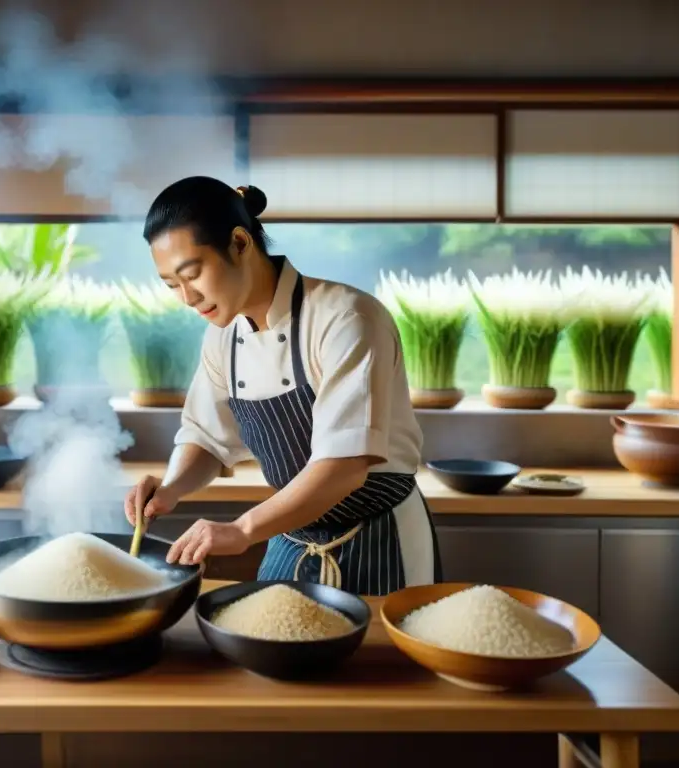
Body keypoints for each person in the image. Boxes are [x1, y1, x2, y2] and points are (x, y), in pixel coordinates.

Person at [123, 176, 441, 596]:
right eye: (171, 285)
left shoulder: (346, 319)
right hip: (290, 534)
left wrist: (242, 530)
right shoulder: (223, 336)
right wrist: (170, 488)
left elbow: (343, 468)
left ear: (239, 243)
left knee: (378, 660)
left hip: (382, 538)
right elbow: (206, 438)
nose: (187, 297)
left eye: (192, 274)